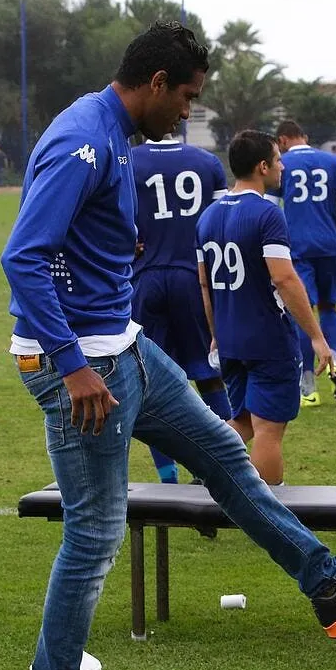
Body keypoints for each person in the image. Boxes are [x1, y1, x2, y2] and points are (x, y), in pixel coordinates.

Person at [0, 21, 336, 670]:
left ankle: (327, 584)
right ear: (156, 84)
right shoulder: (85, 141)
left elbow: (66, 240)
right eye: (186, 98)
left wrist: (109, 248)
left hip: (125, 349)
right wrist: (70, 365)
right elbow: (23, 257)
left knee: (226, 455)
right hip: (84, 369)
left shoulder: (109, 135)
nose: (186, 114)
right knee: (94, 538)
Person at [198, 130, 335, 485]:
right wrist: (318, 338)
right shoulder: (267, 214)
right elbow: (285, 279)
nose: (283, 166)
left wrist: (215, 334)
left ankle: (203, 478)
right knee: (268, 432)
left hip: (229, 339)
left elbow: (204, 284)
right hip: (267, 339)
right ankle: (268, 516)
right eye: (277, 160)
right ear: (262, 167)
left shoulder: (208, 217)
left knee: (241, 422)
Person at [130, 131, 231, 485]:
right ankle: (221, 471)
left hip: (146, 280)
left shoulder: (129, 161)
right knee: (210, 373)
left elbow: (111, 220)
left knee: (152, 383)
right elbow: (221, 223)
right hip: (194, 277)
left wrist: (131, 244)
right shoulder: (207, 162)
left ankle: (168, 483)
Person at [270, 119, 336, 407]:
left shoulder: (282, 164)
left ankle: (307, 384)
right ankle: (334, 363)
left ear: (283, 140)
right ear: (305, 136)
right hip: (328, 246)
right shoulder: (332, 161)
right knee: (329, 307)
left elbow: (270, 208)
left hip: (296, 249)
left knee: (302, 311)